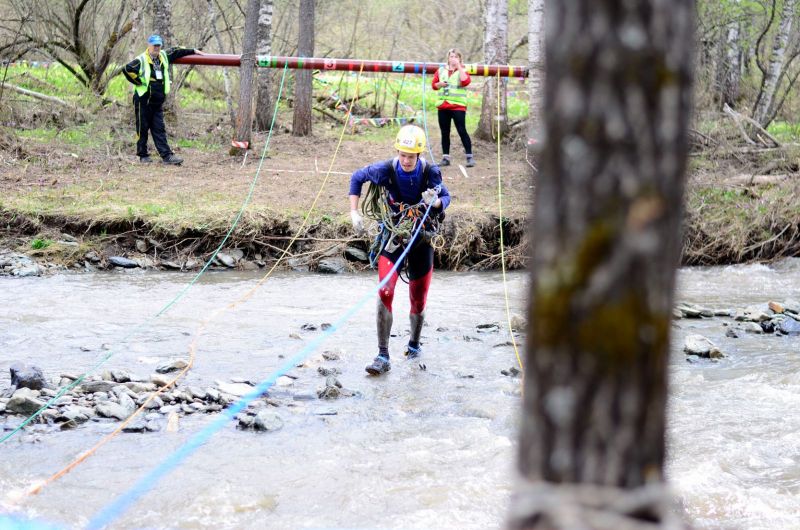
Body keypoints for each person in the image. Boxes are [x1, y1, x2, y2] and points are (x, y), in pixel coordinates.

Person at [348, 125, 451, 375]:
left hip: (421, 238)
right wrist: (354, 212)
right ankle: (382, 355)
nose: (406, 160)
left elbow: (446, 197)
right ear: (397, 152)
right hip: (393, 234)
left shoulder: (430, 172)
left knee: (418, 297)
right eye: (403, 155)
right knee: (385, 290)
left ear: (419, 155)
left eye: (411, 156)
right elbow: (356, 177)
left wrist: (436, 202)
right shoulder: (385, 169)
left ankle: (414, 345)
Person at [122, 34, 204, 165]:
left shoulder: (164, 56)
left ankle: (167, 156)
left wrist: (193, 51)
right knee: (142, 128)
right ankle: (143, 155)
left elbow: (177, 50)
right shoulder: (141, 59)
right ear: (149, 45)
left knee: (159, 128)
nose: (157, 47)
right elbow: (127, 69)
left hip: (157, 101)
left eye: (159, 45)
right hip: (143, 100)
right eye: (154, 45)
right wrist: (138, 82)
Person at [432, 48, 475, 168]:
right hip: (443, 106)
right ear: (448, 58)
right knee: (445, 132)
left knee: (462, 130)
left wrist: (459, 67)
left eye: (456, 57)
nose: (453, 59)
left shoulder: (463, 70)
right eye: (451, 56)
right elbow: (434, 85)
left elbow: (465, 81)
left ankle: (469, 157)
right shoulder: (441, 70)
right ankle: (446, 158)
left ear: (460, 59)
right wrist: (440, 84)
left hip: (458, 106)